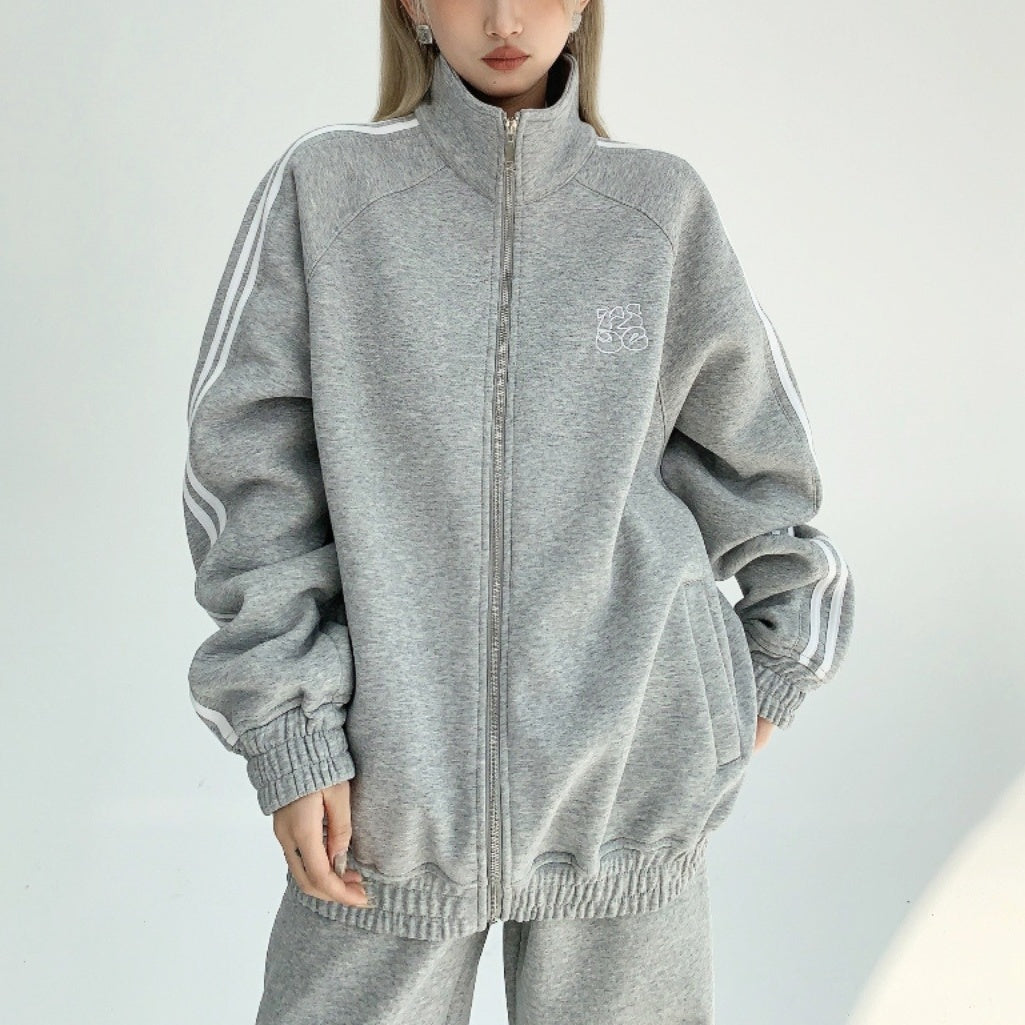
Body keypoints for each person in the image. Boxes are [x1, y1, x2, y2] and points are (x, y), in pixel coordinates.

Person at [181, 0, 856, 1021]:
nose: (503, 17)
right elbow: (247, 475)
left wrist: (761, 673)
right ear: (414, 5)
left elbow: (763, 466)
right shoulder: (329, 188)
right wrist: (288, 731)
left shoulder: (656, 205)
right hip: (383, 794)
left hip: (628, 789)